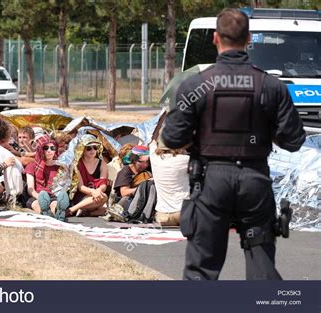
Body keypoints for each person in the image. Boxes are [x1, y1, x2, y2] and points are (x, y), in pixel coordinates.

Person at [161, 8, 306, 280]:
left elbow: (171, 138)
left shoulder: (196, 85)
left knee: (201, 271)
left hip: (210, 181)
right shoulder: (271, 86)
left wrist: (199, 135)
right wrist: (266, 130)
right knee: (262, 269)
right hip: (254, 181)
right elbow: (294, 140)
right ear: (248, 38)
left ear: (216, 38)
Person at [24, 135, 69, 222]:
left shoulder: (60, 167)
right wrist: (39, 197)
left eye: (52, 148)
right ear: (40, 150)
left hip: (53, 195)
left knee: (55, 204)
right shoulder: (32, 166)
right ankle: (46, 214)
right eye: (46, 148)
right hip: (36, 196)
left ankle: (57, 213)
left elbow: (63, 184)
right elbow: (31, 189)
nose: (49, 151)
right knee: (37, 204)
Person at [149, 139, 189, 226]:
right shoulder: (185, 160)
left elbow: (152, 139)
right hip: (183, 211)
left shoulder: (154, 158)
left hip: (163, 216)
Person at [68, 134, 109, 217]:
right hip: (81, 196)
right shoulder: (77, 164)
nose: (92, 150)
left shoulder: (102, 163)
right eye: (89, 148)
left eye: (95, 147)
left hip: (97, 194)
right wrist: (93, 192)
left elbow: (103, 184)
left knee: (104, 197)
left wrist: (97, 191)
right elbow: (81, 187)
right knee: (102, 202)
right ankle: (72, 209)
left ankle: (83, 211)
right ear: (82, 149)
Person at [113, 145, 152, 210]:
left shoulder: (148, 169)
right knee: (126, 199)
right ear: (133, 160)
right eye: (141, 162)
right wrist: (143, 188)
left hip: (143, 200)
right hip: (126, 202)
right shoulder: (126, 171)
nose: (145, 164)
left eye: (147, 162)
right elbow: (124, 192)